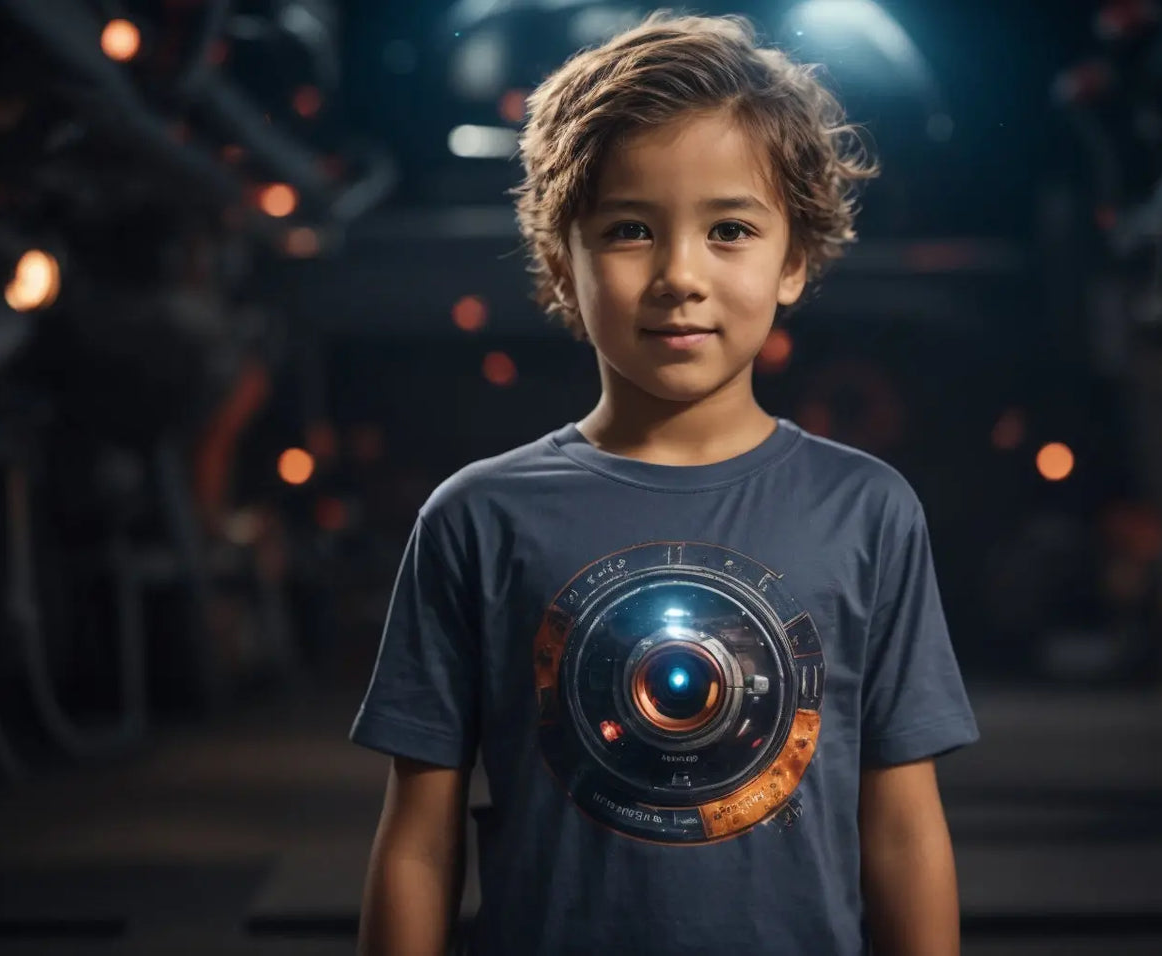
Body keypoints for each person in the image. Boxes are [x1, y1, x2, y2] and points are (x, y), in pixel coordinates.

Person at [351, 11, 978, 955]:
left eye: (729, 229)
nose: (679, 275)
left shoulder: (866, 511)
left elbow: (900, 825)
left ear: (795, 258)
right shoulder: (477, 519)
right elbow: (418, 839)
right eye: (630, 230)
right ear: (561, 260)